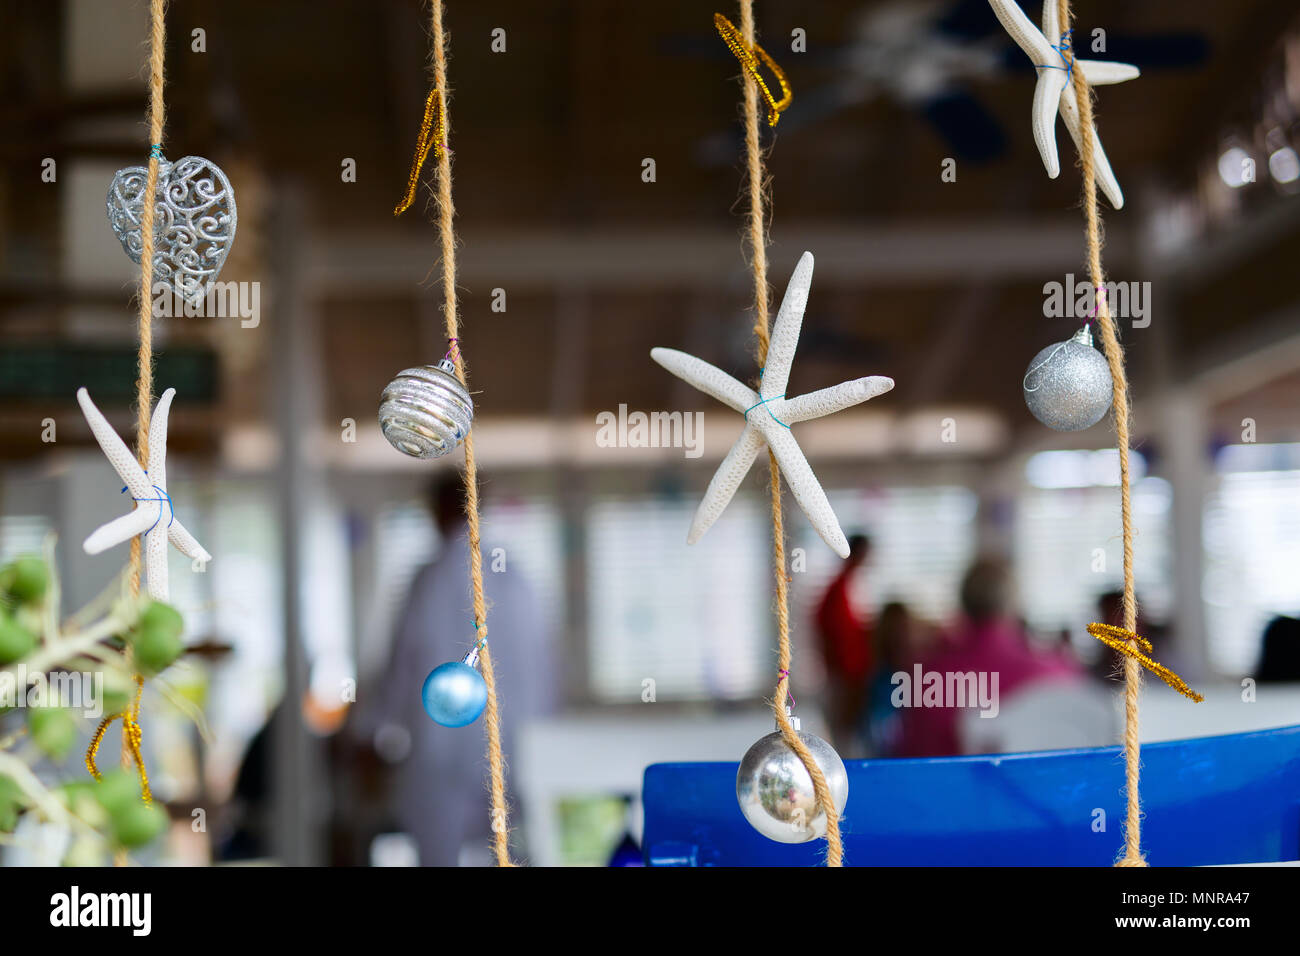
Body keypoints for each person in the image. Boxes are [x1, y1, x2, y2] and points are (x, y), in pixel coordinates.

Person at [365, 472, 556, 865]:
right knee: (515, 852)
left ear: (439, 509)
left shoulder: (428, 578)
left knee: (440, 855)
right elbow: (546, 670)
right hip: (510, 749)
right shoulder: (516, 576)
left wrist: (371, 731)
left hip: (442, 754)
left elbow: (401, 669)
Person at [896, 557, 1081, 757]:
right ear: (1013, 606)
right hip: (1035, 785)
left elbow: (910, 754)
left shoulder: (925, 677)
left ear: (963, 603)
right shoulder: (1055, 673)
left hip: (942, 785)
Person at [814, 533, 873, 755]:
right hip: (846, 674)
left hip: (851, 674)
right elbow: (832, 636)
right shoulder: (839, 589)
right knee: (844, 738)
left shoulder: (848, 587)